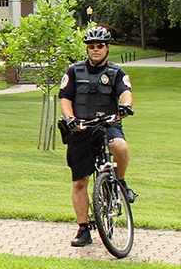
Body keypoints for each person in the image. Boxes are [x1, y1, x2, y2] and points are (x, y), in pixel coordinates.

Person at [58, 25, 137, 247]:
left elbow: (125, 92)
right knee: (79, 183)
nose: (95, 50)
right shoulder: (73, 71)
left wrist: (126, 106)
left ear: (107, 48)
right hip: (81, 128)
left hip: (107, 125)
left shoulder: (116, 72)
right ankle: (83, 229)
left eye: (99, 46)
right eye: (91, 46)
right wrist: (70, 118)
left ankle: (120, 182)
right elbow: (65, 98)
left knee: (120, 147)